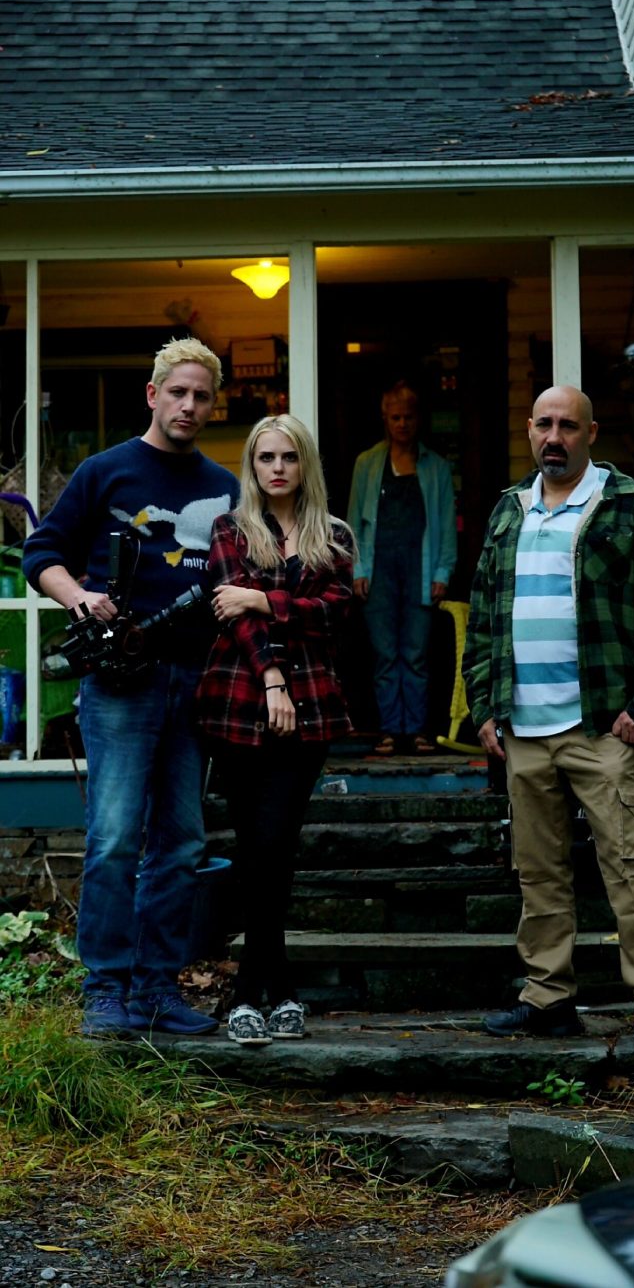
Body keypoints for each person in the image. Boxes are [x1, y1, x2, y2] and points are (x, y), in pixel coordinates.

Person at [462, 384, 634, 1049]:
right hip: (523, 727)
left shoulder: (633, 509)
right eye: (544, 424)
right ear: (529, 430)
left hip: (601, 727)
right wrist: (484, 706)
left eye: (568, 425)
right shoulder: (509, 511)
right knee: (538, 871)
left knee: (629, 864)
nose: (554, 437)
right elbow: (483, 619)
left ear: (591, 433)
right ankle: (548, 998)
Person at [22, 337, 239, 1037]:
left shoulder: (226, 487)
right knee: (115, 837)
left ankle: (156, 991)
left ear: (213, 404)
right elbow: (41, 553)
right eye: (177, 392)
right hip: (119, 683)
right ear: (152, 395)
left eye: (201, 396)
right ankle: (105, 991)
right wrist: (81, 598)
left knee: (182, 842)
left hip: (193, 683)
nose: (188, 405)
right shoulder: (105, 471)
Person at [198, 414, 354, 1047]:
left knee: (278, 845)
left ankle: (256, 989)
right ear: (252, 466)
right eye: (266, 458)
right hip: (239, 700)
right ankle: (270, 990)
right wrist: (270, 677)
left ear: (304, 463)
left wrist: (262, 598)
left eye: (288, 457)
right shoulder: (230, 529)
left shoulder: (333, 535)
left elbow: (336, 611)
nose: (278, 468)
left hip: (311, 704)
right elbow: (228, 613)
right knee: (254, 845)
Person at [347, 381, 457, 756]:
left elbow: (446, 524)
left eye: (408, 417)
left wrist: (442, 572)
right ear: (385, 418)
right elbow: (353, 522)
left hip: (420, 568)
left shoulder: (436, 467)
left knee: (416, 652)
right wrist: (357, 569)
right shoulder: (367, 464)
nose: (402, 424)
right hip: (378, 569)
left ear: (418, 418)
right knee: (384, 653)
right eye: (395, 417)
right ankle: (390, 730)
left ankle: (419, 730)